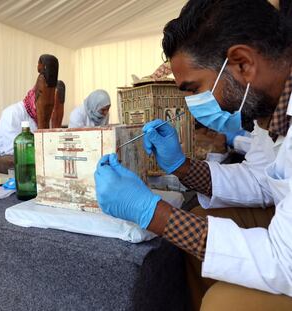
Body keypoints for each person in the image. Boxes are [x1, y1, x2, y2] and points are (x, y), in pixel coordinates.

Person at [94, 1, 292, 310]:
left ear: (242, 63)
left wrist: (153, 213)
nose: (189, 105)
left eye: (194, 89)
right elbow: (261, 179)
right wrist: (182, 166)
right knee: (198, 219)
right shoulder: (273, 108)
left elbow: (283, 262)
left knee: (223, 303)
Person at [0, 79, 65, 156]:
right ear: (37, 94)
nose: (52, 108)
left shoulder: (49, 117)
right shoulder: (12, 113)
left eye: (54, 105)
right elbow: (14, 150)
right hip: (7, 162)